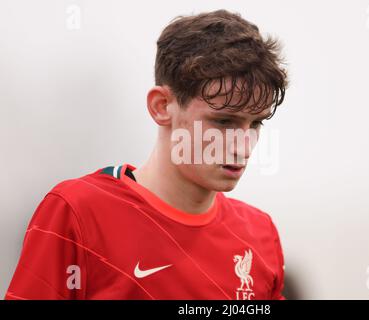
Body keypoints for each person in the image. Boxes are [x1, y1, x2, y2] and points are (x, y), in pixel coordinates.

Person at [5, 9, 289, 300]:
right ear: (161, 106)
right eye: (223, 121)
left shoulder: (260, 235)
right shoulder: (77, 212)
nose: (242, 146)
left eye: (255, 123)